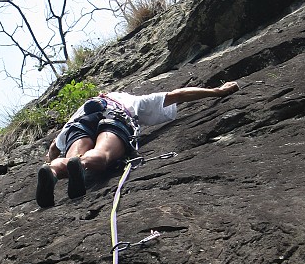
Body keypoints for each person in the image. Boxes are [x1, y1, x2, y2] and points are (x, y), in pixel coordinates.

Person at [35, 82, 239, 207]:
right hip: (115, 117)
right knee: (102, 154)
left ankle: (53, 172)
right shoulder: (131, 99)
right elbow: (178, 94)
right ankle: (81, 164)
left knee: (68, 158)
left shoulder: (79, 111)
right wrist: (217, 91)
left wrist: (51, 161)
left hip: (79, 125)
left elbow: (54, 146)